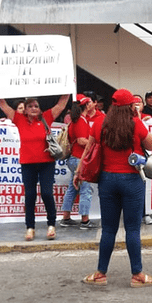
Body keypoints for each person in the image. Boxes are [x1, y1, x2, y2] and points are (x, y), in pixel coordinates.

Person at [76, 88, 152, 288]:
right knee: (132, 229)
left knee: (109, 229)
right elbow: (150, 145)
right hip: (131, 180)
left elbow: (88, 149)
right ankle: (137, 275)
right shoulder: (135, 123)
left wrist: (79, 172)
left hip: (107, 180)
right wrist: (138, 117)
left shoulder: (99, 123)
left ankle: (100, 274)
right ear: (131, 106)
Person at [0, 94, 71, 241]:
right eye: (30, 106)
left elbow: (61, 105)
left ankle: (51, 225)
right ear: (25, 109)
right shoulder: (18, 119)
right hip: (27, 164)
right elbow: (3, 105)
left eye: (36, 106)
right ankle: (30, 227)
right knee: (30, 196)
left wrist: (68, 88)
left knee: (47, 194)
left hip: (46, 163)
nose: (33, 108)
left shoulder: (46, 117)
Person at [59, 94, 97, 230]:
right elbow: (81, 140)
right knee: (85, 189)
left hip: (74, 159)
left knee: (72, 188)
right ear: (86, 105)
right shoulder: (81, 121)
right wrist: (96, 144)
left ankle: (66, 217)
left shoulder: (75, 121)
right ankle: (85, 220)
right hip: (80, 159)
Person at [133, 94, 152, 225]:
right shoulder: (127, 120)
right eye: (134, 102)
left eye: (139, 102)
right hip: (131, 158)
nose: (137, 104)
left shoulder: (149, 119)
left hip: (145, 156)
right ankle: (136, 214)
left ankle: (146, 213)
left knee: (145, 185)